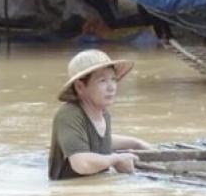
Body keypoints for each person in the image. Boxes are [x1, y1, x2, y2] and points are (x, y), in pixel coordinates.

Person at [48, 49, 153, 181]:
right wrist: (116, 159)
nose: (111, 87)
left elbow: (99, 140)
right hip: (73, 193)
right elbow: (81, 164)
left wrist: (135, 143)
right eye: (102, 81)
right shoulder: (69, 114)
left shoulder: (103, 113)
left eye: (113, 79)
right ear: (80, 87)